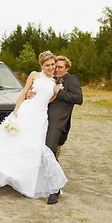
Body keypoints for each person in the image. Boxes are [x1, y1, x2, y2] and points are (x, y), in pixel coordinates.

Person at [0, 51, 68, 202]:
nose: (50, 67)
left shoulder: (55, 84)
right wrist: (16, 111)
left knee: (34, 148)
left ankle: (29, 181)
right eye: (47, 65)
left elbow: (48, 101)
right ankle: (8, 173)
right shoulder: (34, 75)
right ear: (41, 66)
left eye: (52, 65)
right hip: (26, 111)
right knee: (14, 143)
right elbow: (23, 93)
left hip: (40, 117)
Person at [27, 55, 83, 204]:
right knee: (42, 151)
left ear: (67, 68)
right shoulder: (51, 80)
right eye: (55, 66)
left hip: (58, 122)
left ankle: (55, 190)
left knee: (49, 152)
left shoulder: (71, 80)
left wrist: (60, 92)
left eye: (60, 67)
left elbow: (79, 98)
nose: (56, 69)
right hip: (43, 120)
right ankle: (43, 183)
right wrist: (29, 93)